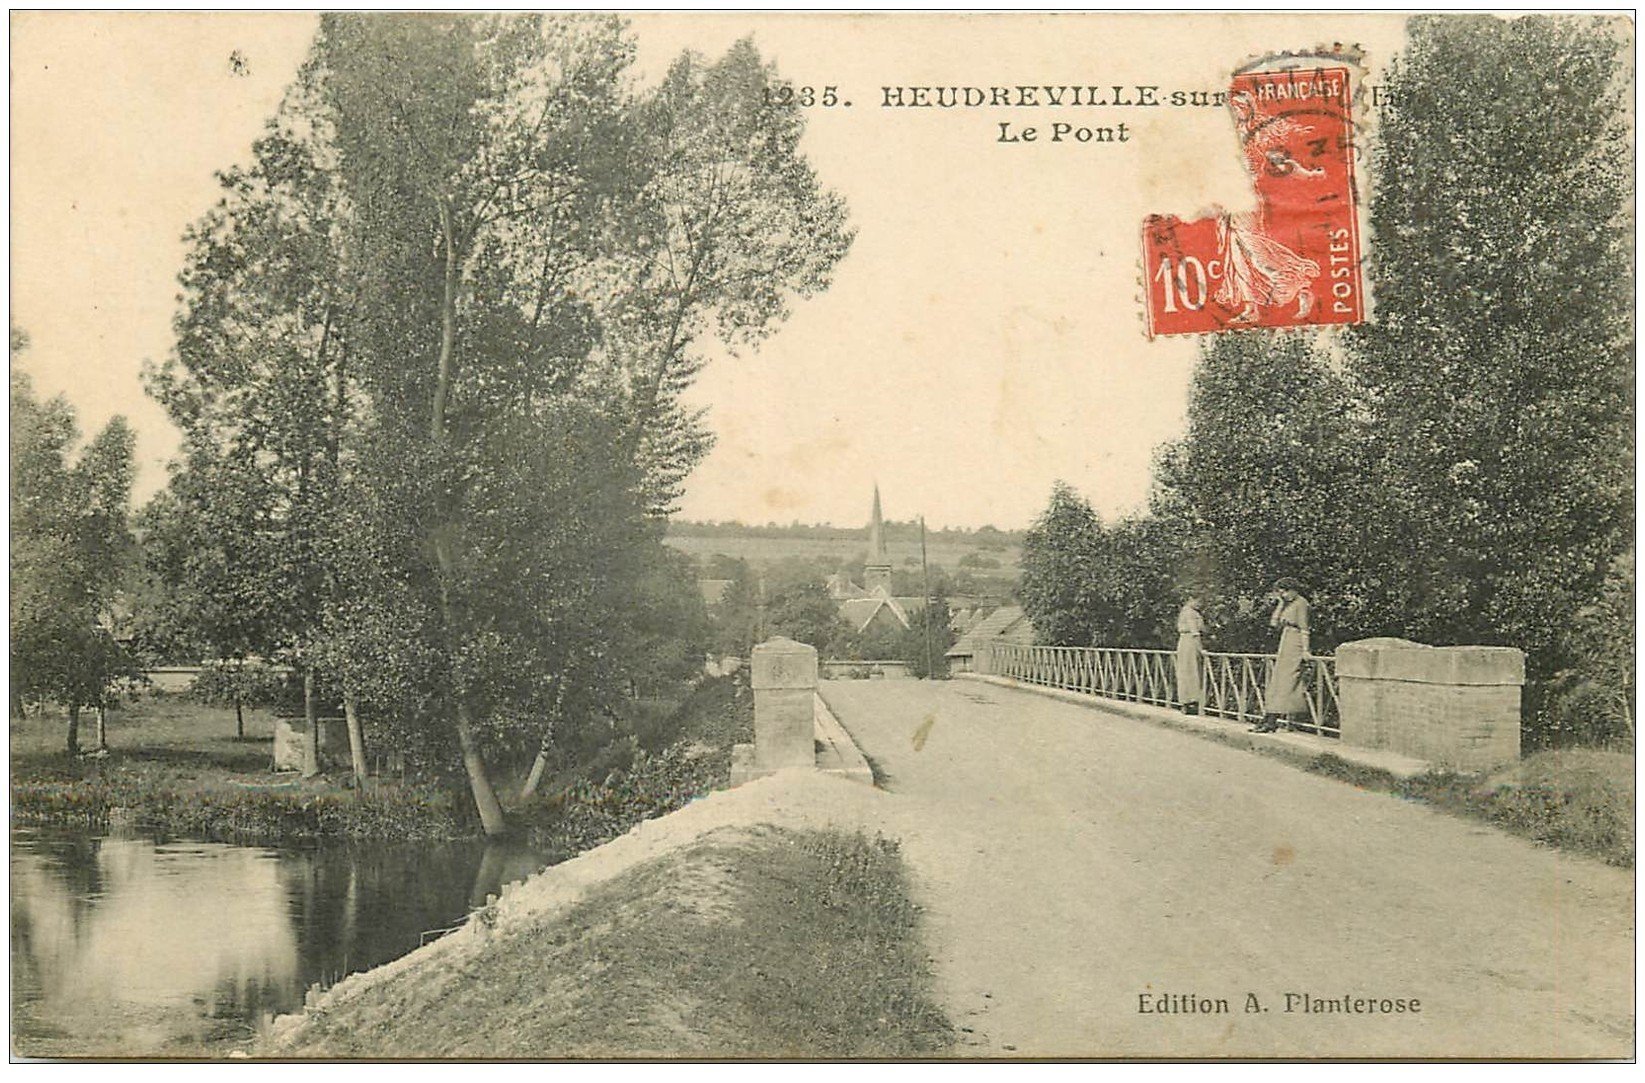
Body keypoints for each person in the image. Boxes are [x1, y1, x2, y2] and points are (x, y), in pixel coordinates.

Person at [1253, 578, 1310, 733]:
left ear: (1293, 589)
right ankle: (1269, 718)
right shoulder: (1288, 604)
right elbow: (1274, 624)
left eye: (1285, 591)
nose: (1283, 595)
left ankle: (1272, 719)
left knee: (1286, 681)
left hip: (1295, 642)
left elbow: (1304, 628)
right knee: (1278, 681)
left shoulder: (1301, 603)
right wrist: (1279, 604)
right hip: (1285, 641)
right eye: (1281, 592)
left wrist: (1305, 650)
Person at [1174, 595, 1206, 715]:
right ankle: (1191, 701)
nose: (1200, 604)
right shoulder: (1190, 613)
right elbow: (1195, 632)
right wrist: (1201, 649)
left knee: (1185, 671)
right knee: (1191, 671)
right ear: (1190, 599)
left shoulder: (1186, 611)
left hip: (1184, 641)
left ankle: (1186, 702)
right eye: (1198, 601)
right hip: (1189, 642)